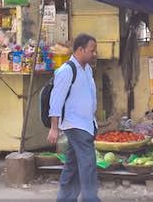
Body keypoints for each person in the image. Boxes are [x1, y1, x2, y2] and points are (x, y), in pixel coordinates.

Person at [48, 33, 99, 202]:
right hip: (75, 125)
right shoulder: (66, 70)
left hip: (87, 124)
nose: (95, 54)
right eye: (92, 50)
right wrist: (54, 128)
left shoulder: (88, 69)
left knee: (73, 166)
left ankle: (65, 198)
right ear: (80, 50)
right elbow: (55, 101)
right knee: (88, 164)